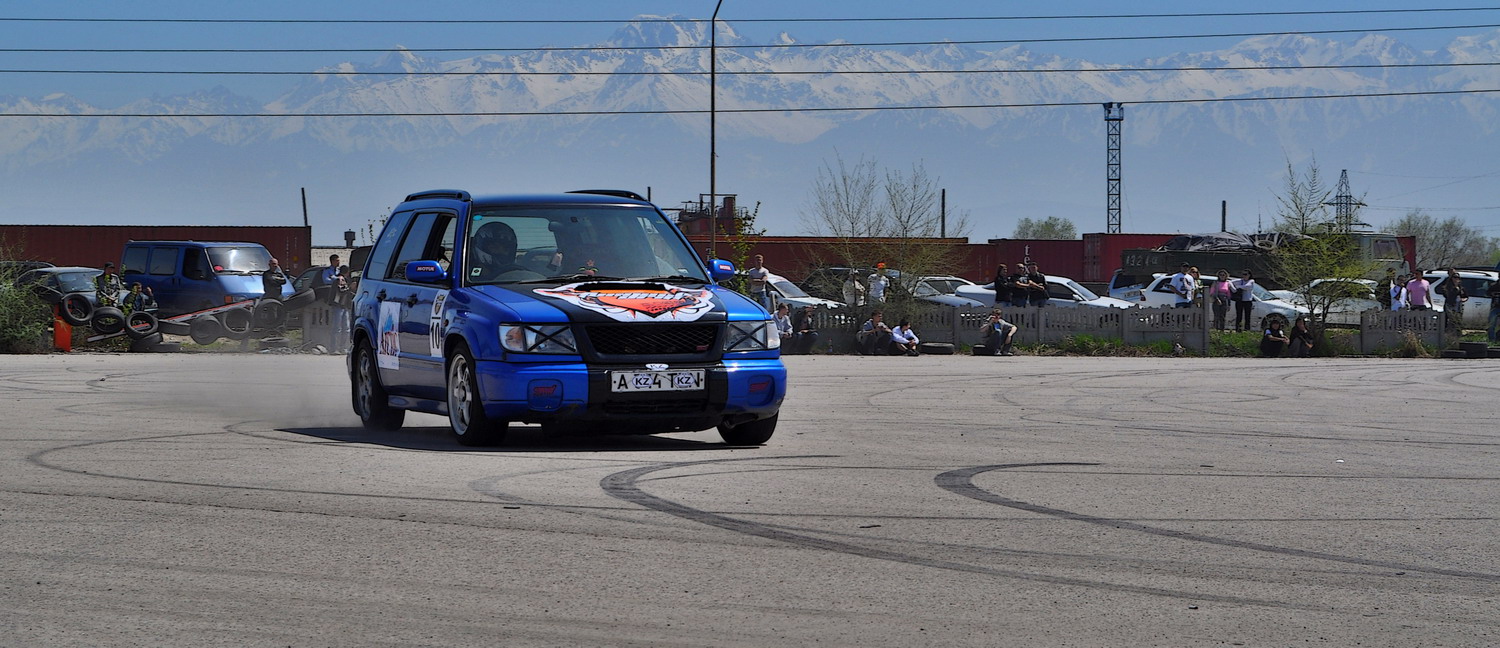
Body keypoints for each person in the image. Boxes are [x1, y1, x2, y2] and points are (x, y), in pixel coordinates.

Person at [470, 221, 541, 282]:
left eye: (506, 248)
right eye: (495, 248)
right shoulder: (468, 277)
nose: (503, 252)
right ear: (481, 248)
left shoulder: (523, 274)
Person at [1487, 276, 1500, 344]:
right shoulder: (1493, 286)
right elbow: (1487, 293)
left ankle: (1498, 338)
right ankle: (1492, 340)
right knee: (1491, 324)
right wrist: (1492, 294)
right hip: (1495, 307)